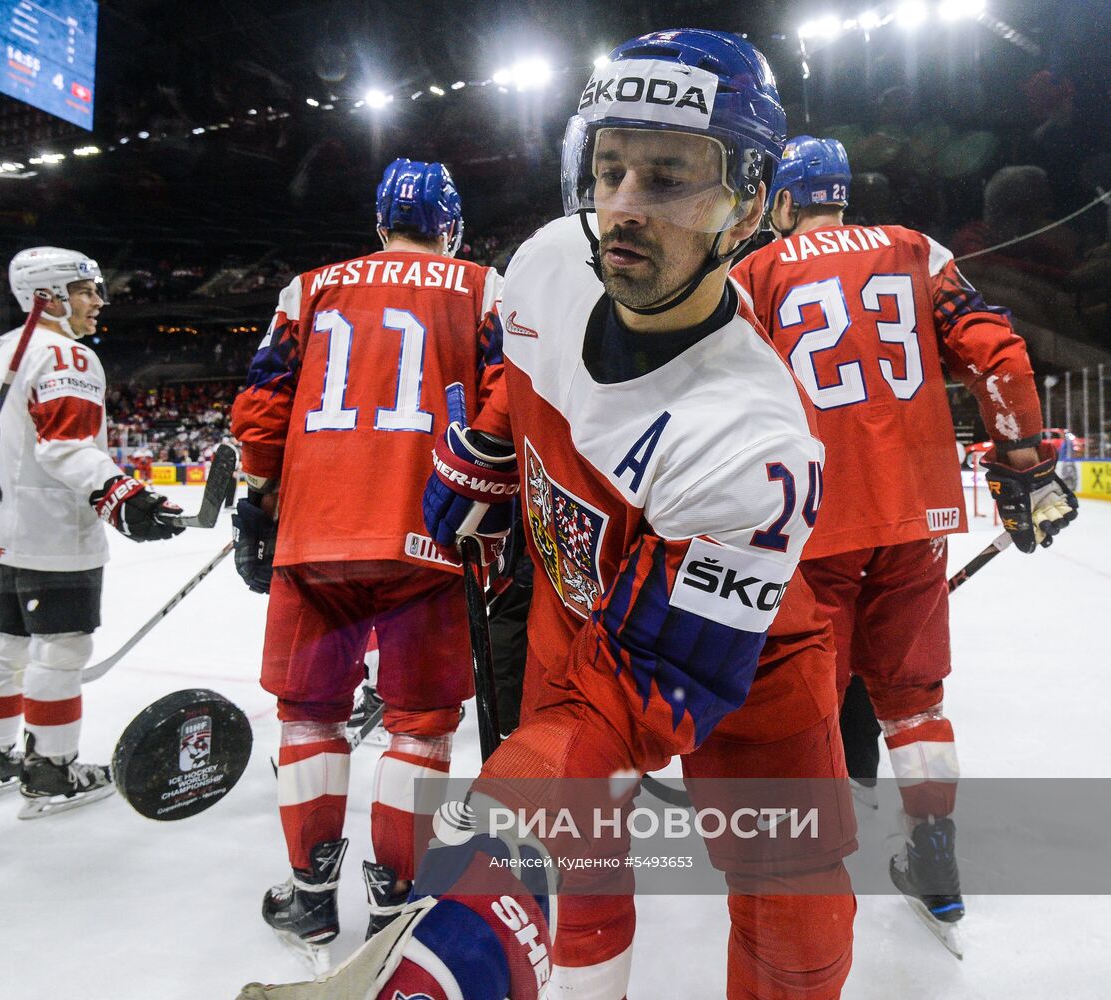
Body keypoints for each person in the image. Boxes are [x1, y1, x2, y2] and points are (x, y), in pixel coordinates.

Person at [243, 30, 855, 1000]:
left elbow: (633, 692)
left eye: (668, 175)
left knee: (794, 898)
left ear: (744, 201)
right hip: (573, 622)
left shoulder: (754, 443)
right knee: (585, 868)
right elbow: (509, 392)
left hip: (743, 662)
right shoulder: (538, 265)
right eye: (607, 166)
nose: (622, 206)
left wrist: (488, 868)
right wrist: (481, 459)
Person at [731, 135, 1077, 949]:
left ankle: (803, 870)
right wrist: (1023, 456)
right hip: (917, 512)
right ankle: (934, 860)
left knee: (805, 698)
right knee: (914, 702)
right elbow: (996, 351)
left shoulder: (755, 273)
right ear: (841, 193)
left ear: (782, 200)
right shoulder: (915, 250)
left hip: (807, 519)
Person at [230, 158, 507, 960]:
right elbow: (503, 398)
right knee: (419, 724)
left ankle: (311, 897)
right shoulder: (483, 287)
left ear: (379, 220)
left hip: (315, 532)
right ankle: (396, 895)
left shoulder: (308, 287)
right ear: (449, 222)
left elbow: (262, 405)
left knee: (309, 714)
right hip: (432, 529)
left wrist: (257, 496)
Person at [0, 247, 184, 819]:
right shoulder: (67, 356)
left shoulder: (6, 348)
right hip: (52, 531)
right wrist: (120, 495)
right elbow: (66, 447)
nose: (99, 302)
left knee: (7, 644)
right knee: (62, 650)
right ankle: (51, 769)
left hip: (3, 527)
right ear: (48, 298)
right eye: (87, 291)